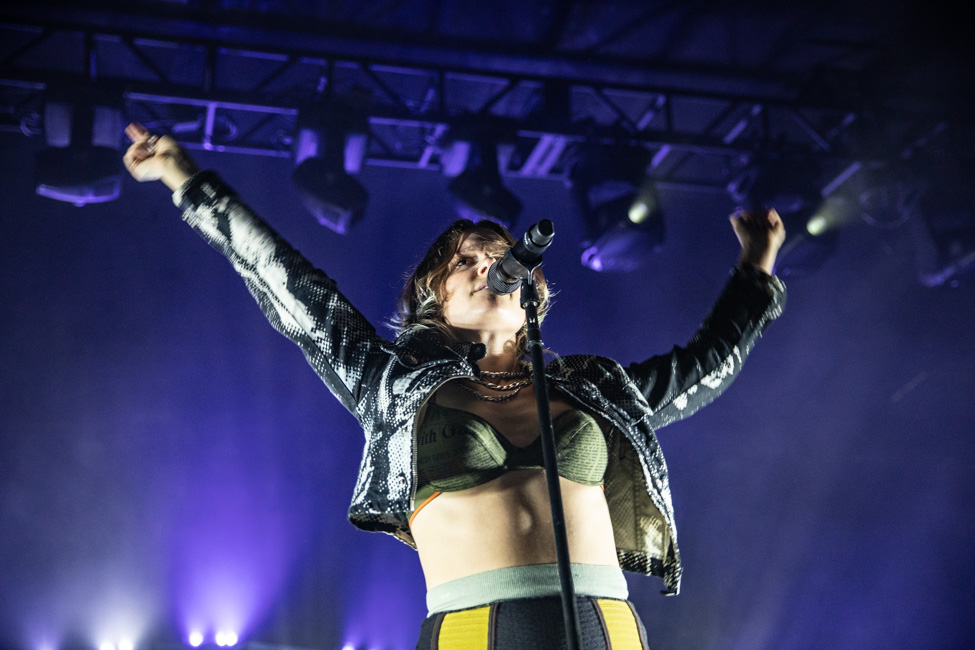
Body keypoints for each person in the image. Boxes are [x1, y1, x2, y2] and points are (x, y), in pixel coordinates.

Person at [123, 122, 786, 649]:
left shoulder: (595, 389)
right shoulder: (392, 383)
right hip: (470, 629)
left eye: (497, 258)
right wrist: (185, 179)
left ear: (531, 290)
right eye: (463, 261)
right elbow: (287, 281)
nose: (485, 266)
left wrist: (756, 267)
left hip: (603, 629)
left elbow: (704, 365)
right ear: (431, 297)